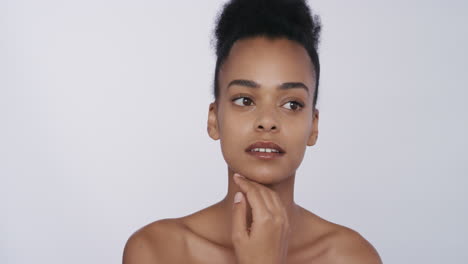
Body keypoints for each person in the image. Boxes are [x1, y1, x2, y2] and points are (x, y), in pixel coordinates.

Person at [123, 0, 382, 263]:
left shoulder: (352, 257)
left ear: (313, 126)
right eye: (244, 100)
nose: (267, 121)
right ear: (214, 119)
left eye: (292, 104)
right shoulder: (157, 250)